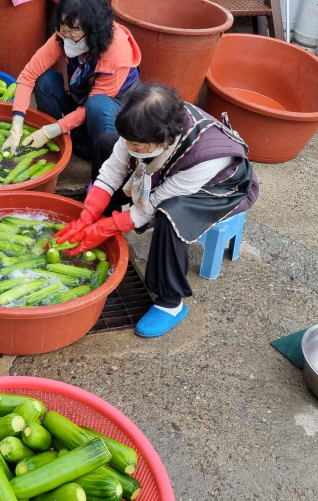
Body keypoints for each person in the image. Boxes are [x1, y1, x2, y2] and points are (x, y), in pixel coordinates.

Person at [54, 83, 260, 338]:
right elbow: (113, 168)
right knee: (106, 142)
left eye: (137, 144)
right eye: (129, 141)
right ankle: (104, 218)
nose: (130, 146)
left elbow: (152, 205)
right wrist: (90, 214)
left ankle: (170, 303)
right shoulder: (142, 124)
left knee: (169, 215)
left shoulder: (208, 157)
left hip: (219, 187)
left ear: (165, 139)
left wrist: (108, 227)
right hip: (172, 169)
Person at [3, 0, 141, 161]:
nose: (67, 39)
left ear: (93, 32)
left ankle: (104, 158)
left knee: (97, 106)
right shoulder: (62, 36)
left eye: (73, 35)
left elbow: (92, 103)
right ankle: (56, 142)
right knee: (45, 81)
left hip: (115, 109)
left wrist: (51, 130)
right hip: (83, 98)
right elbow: (28, 75)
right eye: (63, 31)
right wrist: (16, 126)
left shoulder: (116, 52)